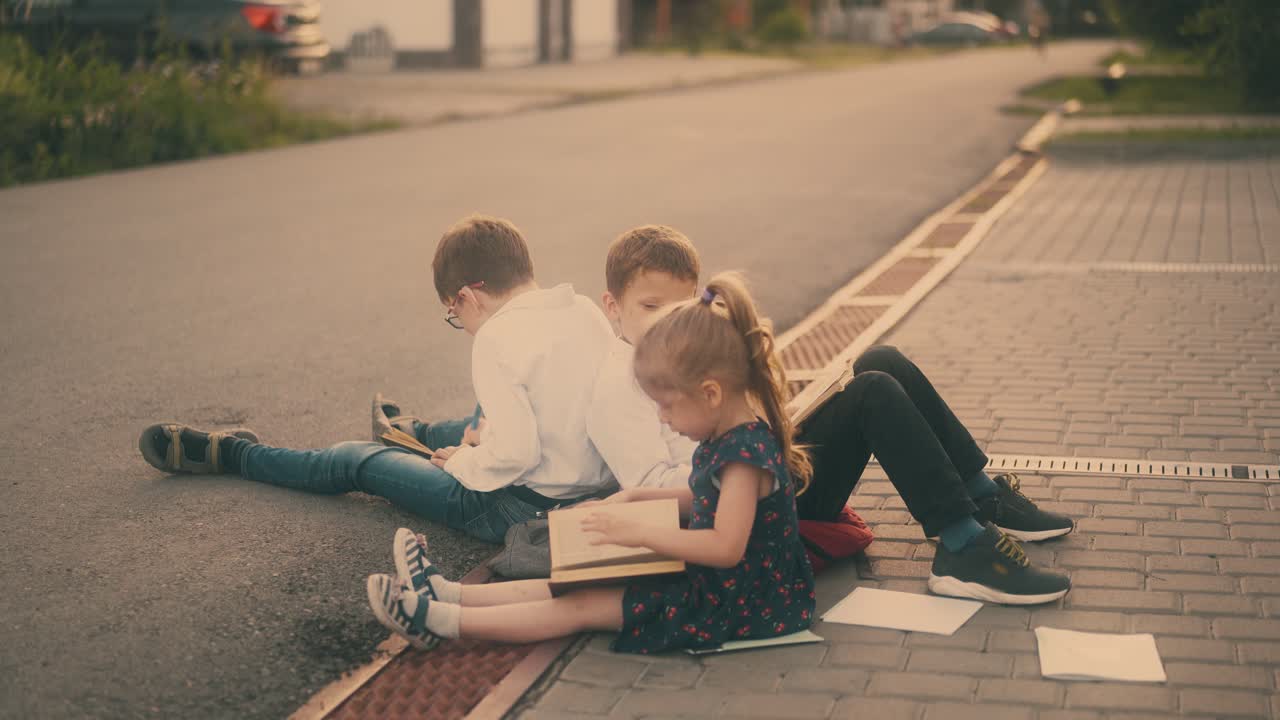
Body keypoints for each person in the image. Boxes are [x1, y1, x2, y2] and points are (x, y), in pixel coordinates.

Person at [583, 226, 1072, 604]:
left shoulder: (676, 359)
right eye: (651, 307)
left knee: (881, 360)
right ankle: (961, 545)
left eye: (681, 307)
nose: (670, 321)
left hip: (756, 471)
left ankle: (981, 494)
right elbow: (661, 496)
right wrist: (746, 455)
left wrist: (761, 426)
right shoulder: (619, 386)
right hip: (747, 506)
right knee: (872, 394)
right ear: (612, 307)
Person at [365, 273, 816, 652]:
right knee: (575, 583)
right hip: (720, 582)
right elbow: (704, 497)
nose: (664, 419)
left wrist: (640, 532)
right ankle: (448, 594)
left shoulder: (743, 456)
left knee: (580, 606)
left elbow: (725, 546)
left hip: (740, 602)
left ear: (711, 393)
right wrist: (634, 497)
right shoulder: (729, 435)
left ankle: (439, 623)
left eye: (668, 407)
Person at [136, 215, 617, 544]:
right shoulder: (580, 308)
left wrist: (461, 465)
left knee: (354, 461)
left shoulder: (496, 338)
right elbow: (558, 409)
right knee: (477, 421)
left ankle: (236, 455)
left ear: (469, 296)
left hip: (520, 508)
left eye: (454, 313)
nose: (461, 324)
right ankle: (412, 432)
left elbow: (515, 455)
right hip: (595, 487)